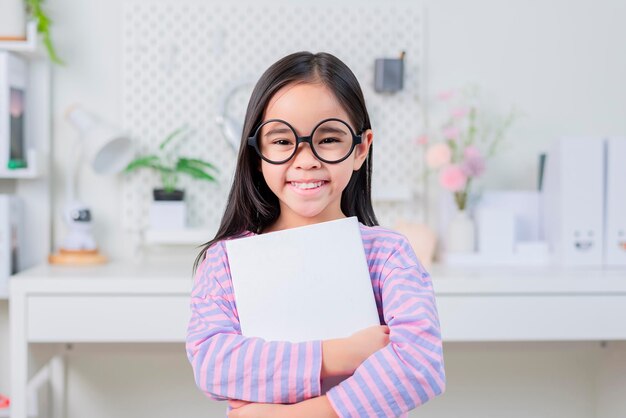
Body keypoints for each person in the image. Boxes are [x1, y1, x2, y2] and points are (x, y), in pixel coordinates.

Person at [186, 51, 446, 418]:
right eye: (281, 141)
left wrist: (299, 414)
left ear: (360, 148)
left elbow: (419, 364)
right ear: (256, 152)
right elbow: (215, 364)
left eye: (328, 139)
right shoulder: (226, 261)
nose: (306, 160)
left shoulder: (388, 255)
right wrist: (342, 353)